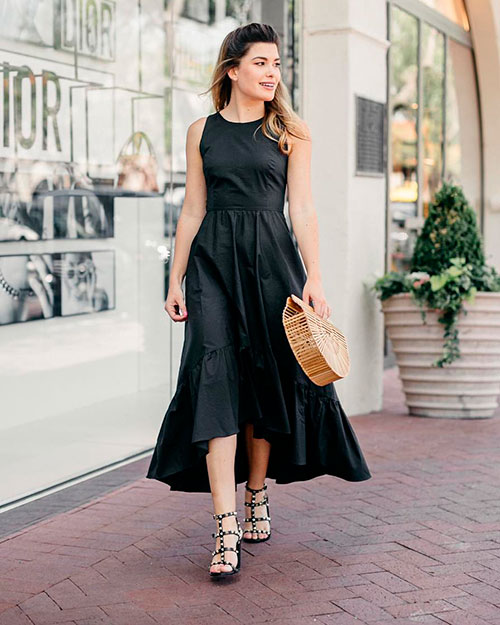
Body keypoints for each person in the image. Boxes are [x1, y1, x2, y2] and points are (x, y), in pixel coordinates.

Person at [146, 22, 371, 578]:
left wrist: (315, 276)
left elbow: (304, 210)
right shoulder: (203, 131)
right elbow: (192, 211)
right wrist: (175, 280)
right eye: (261, 63)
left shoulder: (291, 131)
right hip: (213, 268)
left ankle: (255, 492)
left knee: (264, 381)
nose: (272, 73)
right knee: (217, 381)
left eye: (276, 64)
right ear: (232, 70)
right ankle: (225, 530)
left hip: (274, 267)